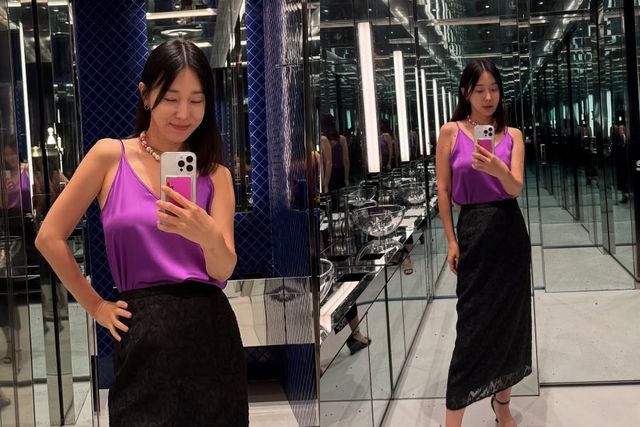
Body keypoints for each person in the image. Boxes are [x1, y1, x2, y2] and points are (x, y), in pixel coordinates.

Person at [35, 39, 248, 426]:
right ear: (146, 95)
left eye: (196, 100)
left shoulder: (216, 175)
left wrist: (206, 235)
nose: (183, 113)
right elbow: (49, 237)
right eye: (171, 98)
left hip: (210, 334)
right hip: (143, 334)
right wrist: (96, 306)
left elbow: (223, 270)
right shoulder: (109, 156)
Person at [435, 59, 531, 427]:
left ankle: (501, 405)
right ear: (465, 92)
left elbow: (516, 187)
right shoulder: (450, 132)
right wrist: (451, 240)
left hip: (509, 233)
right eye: (479, 90)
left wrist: (498, 169)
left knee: (511, 325)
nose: (488, 97)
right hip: (472, 231)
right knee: (471, 330)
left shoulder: (513, 135)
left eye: (493, 89)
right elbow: (444, 190)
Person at [320, 114, 350, 193]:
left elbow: (328, 162)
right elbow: (346, 160)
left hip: (328, 175)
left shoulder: (323, 139)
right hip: (340, 172)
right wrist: (346, 178)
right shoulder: (342, 139)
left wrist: (325, 184)